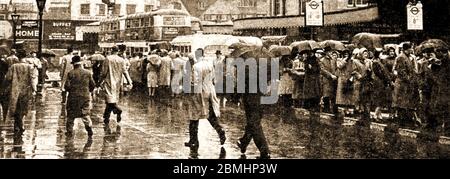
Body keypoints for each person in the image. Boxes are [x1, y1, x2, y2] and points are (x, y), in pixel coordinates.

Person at [184, 49, 226, 157]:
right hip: (209, 90)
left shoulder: (196, 66)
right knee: (210, 114)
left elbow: (194, 81)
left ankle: (193, 141)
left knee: (194, 117)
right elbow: (213, 79)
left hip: (199, 92)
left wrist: (189, 91)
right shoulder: (209, 64)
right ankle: (220, 130)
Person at [4, 49, 38, 134]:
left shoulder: (13, 67)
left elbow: (8, 78)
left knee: (15, 108)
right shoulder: (29, 67)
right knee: (23, 108)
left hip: (15, 90)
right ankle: (20, 125)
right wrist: (34, 89)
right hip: (26, 90)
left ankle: (17, 125)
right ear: (25, 56)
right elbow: (32, 79)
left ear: (18, 57)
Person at [100, 46, 133, 126]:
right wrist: (129, 81)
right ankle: (106, 117)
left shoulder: (108, 59)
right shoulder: (121, 60)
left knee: (110, 100)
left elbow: (104, 72)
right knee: (111, 100)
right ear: (118, 51)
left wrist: (100, 81)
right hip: (117, 82)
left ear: (111, 50)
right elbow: (125, 72)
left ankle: (117, 110)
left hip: (109, 81)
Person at [64, 56, 96, 138]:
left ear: (73, 64)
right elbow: (93, 85)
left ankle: (69, 132)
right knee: (85, 114)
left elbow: (66, 86)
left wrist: (71, 90)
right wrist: (88, 91)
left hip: (73, 97)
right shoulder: (88, 73)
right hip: (85, 96)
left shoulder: (71, 73)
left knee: (71, 116)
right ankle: (89, 129)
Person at [392, 42, 418, 129]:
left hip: (406, 83)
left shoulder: (406, 57)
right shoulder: (401, 57)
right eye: (410, 49)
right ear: (406, 49)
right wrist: (409, 79)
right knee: (401, 103)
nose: (411, 50)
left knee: (404, 102)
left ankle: (404, 121)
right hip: (402, 83)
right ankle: (401, 122)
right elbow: (402, 71)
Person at [320, 49, 338, 113]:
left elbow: (336, 68)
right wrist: (330, 75)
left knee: (333, 95)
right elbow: (322, 70)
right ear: (326, 52)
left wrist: (335, 75)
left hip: (333, 80)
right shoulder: (322, 60)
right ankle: (326, 110)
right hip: (326, 80)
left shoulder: (333, 60)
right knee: (326, 96)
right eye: (329, 52)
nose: (330, 53)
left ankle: (334, 110)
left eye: (331, 52)